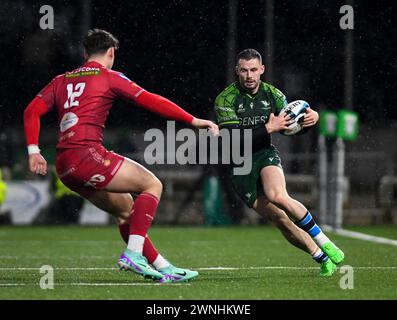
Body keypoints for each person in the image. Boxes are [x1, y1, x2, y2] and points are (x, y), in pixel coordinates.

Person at [23, 28, 218, 283]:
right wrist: (192, 120)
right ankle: (134, 254)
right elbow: (149, 100)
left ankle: (162, 267)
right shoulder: (108, 77)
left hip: (65, 166)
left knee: (126, 210)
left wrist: (34, 151)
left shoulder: (61, 80)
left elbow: (31, 111)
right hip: (88, 155)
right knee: (152, 185)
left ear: (85, 53)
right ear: (111, 52)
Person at [214, 48, 344, 276]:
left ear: (262, 69)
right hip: (238, 163)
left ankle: (324, 241)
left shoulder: (274, 95)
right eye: (244, 70)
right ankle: (321, 257)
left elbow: (290, 129)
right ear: (237, 71)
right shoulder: (226, 99)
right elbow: (233, 141)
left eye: (254, 70)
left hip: (264, 154)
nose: (249, 75)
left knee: (278, 195)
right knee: (280, 219)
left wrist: (309, 121)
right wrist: (268, 128)